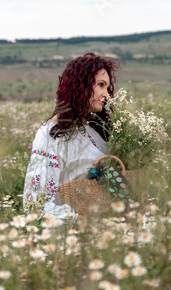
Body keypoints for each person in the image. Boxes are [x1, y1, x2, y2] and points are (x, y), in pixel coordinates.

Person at [23, 53, 119, 219]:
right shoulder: (51, 136)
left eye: (107, 87)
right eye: (101, 85)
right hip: (73, 237)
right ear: (81, 85)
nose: (106, 94)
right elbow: (35, 204)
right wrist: (81, 221)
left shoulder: (92, 128)